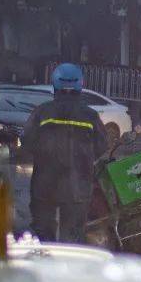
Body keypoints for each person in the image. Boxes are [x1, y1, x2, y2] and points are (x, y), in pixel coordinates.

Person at [21, 63, 109, 243]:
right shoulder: (90, 116)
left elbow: (27, 141)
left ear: (55, 84)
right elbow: (102, 145)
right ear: (80, 85)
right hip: (78, 188)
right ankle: (68, 268)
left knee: (43, 236)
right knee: (73, 238)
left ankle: (45, 266)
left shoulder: (42, 112)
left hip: (44, 187)